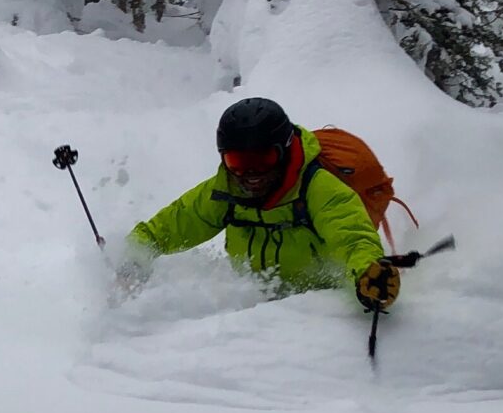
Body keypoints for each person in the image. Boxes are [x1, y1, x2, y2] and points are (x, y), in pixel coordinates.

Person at [116, 97, 402, 310]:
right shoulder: (224, 191)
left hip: (317, 313)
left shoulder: (318, 188)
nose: (249, 174)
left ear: (285, 152)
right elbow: (172, 225)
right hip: (255, 314)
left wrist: (369, 271)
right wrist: (131, 254)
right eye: (237, 162)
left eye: (263, 160)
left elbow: (353, 237)